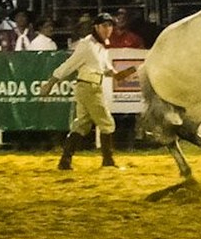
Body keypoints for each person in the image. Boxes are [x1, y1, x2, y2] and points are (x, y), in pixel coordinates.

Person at [40, 12, 136, 170]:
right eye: (105, 25)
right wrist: (50, 83)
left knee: (82, 125)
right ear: (96, 27)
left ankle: (65, 160)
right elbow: (69, 65)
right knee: (107, 123)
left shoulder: (100, 45)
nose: (108, 29)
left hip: (88, 86)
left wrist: (122, 73)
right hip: (90, 87)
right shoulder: (87, 45)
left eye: (110, 25)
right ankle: (108, 160)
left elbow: (105, 68)